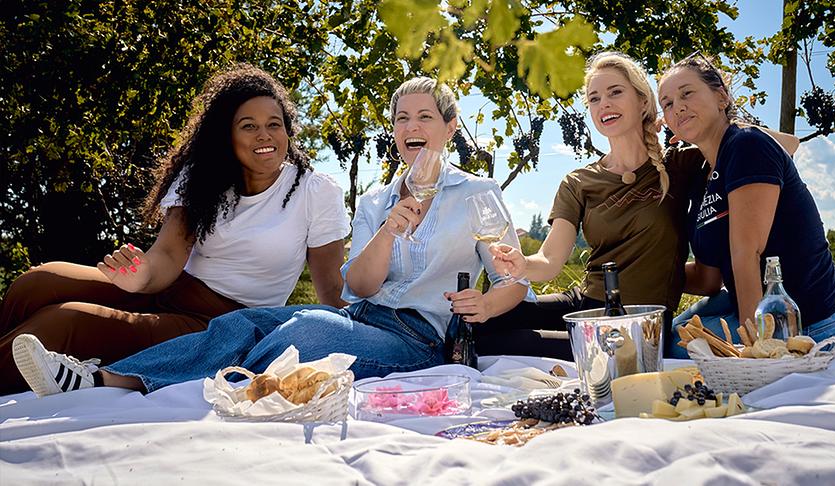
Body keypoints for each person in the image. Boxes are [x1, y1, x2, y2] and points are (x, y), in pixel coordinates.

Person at [14, 76, 530, 397]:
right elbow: (361, 289)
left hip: (423, 337)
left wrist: (487, 305)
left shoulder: (477, 193)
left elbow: (515, 279)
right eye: (401, 118)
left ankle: (230, 388)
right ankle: (102, 379)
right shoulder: (377, 200)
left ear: (449, 125)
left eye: (424, 117)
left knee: (300, 334)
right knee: (242, 324)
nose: (410, 126)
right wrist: (390, 230)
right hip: (362, 317)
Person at [4, 65, 350, 395]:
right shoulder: (202, 178)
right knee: (36, 283)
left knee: (62, 323)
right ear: (225, 135)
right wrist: (139, 278)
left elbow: (331, 290)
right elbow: (168, 254)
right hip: (171, 287)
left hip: (219, 324)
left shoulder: (315, 191)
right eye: (248, 126)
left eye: (275, 124)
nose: (265, 135)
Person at [484, 52, 707, 359]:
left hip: (637, 325)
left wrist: (699, 123)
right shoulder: (578, 181)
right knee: (480, 325)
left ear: (643, 101)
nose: (604, 104)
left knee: (512, 344)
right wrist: (522, 264)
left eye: (615, 92)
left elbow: (777, 146)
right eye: (594, 98)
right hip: (583, 305)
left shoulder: (680, 164)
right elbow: (550, 259)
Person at [658, 52, 835, 358]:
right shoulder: (701, 175)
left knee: (671, 350)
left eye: (687, 93)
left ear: (721, 97)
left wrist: (755, 353)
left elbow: (747, 255)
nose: (677, 106)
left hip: (809, 317)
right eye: (667, 104)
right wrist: (650, 272)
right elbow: (709, 280)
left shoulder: (747, 146)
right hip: (745, 298)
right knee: (663, 334)